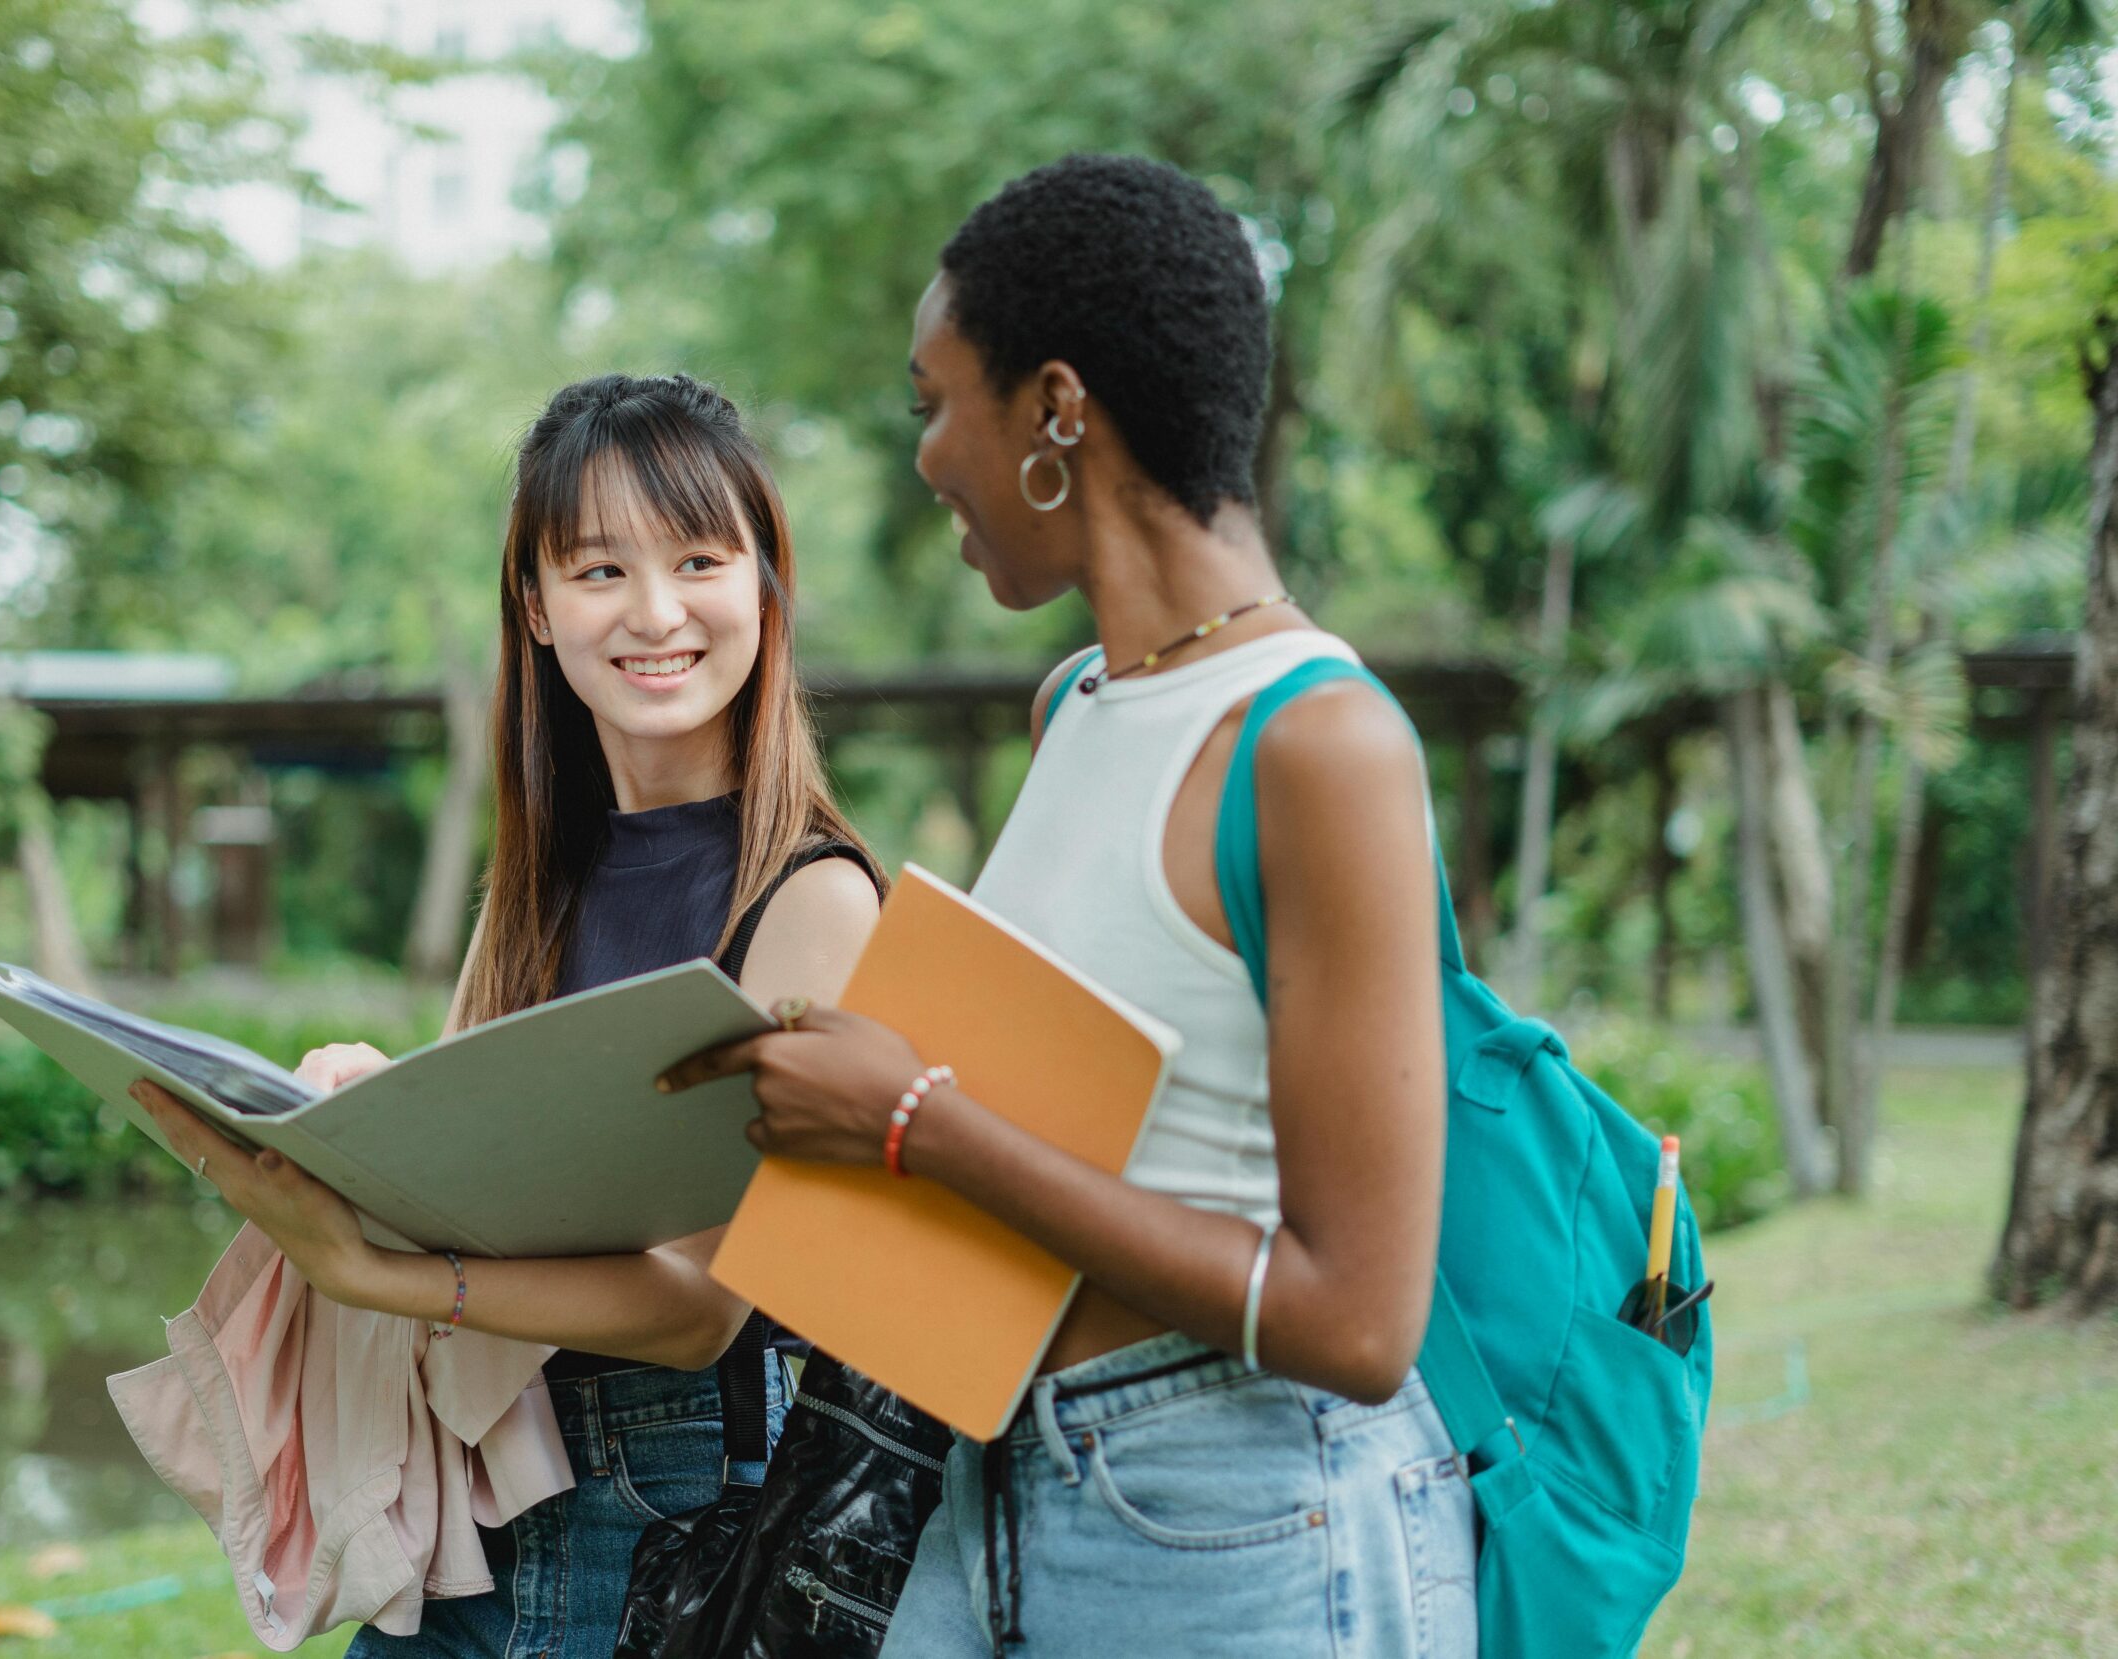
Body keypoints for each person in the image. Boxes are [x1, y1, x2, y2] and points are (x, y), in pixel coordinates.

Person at [660, 155, 1478, 1657]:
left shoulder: (1319, 743)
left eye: (930, 400)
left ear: (1054, 409)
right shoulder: (1080, 703)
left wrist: (915, 1120)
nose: (921, 457)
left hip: (1239, 1513)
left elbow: (1359, 1324)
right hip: (998, 1472)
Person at [138, 372, 887, 1659]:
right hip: (479, 1471)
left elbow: (702, 1304)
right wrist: (367, 1109)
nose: (655, 612)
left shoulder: (813, 896)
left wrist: (382, 1274)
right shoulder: (541, 878)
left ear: (765, 583)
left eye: (699, 557)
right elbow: (495, 1185)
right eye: (599, 570)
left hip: (667, 1498)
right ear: (536, 609)